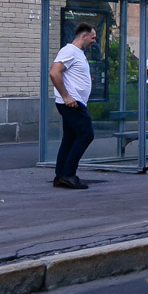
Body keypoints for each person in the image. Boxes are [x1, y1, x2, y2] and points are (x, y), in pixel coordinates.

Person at [49, 23, 97, 189]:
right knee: (86, 134)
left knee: (69, 139)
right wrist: (66, 96)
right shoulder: (69, 51)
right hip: (71, 103)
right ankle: (68, 174)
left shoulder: (77, 53)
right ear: (83, 36)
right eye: (93, 37)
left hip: (74, 102)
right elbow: (54, 72)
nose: (94, 41)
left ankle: (60, 176)